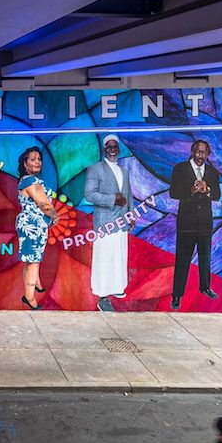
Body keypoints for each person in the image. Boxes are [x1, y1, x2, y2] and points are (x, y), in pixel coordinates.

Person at [169, 139, 222, 309]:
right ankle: (177, 294)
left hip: (205, 222)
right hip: (186, 222)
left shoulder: (213, 173)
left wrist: (207, 190)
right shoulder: (180, 169)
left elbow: (217, 195)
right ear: (192, 152)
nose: (200, 156)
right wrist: (190, 191)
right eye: (198, 152)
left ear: (208, 154)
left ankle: (205, 287)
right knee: (183, 259)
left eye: (204, 152)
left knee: (205, 257)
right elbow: (173, 193)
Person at [84, 134, 133, 312]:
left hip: (121, 222)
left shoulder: (124, 171)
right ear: (104, 150)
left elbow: (129, 196)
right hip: (105, 222)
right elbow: (89, 194)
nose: (112, 149)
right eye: (109, 146)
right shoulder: (95, 169)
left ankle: (117, 288)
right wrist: (112, 199)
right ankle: (102, 296)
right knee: (104, 259)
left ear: (118, 149)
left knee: (119, 257)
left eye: (115, 146)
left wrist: (131, 215)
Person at [15, 146, 59, 310]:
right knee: (33, 261)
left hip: (35, 224)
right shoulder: (30, 181)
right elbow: (44, 205)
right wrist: (55, 216)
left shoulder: (30, 180)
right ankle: (30, 298)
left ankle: (35, 286)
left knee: (32, 260)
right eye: (33, 159)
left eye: (39, 159)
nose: (37, 162)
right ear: (25, 164)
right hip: (32, 224)